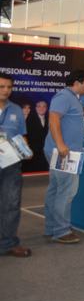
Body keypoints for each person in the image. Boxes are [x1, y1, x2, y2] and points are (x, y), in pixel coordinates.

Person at [43, 70, 84, 244]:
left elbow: (74, 117)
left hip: (63, 151)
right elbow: (53, 119)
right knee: (66, 191)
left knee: (56, 189)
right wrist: (61, 144)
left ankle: (52, 227)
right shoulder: (64, 97)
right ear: (76, 83)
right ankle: (61, 231)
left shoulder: (73, 97)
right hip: (64, 152)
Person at [0, 73, 32, 257]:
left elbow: (22, 135)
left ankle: (8, 243)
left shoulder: (16, 109)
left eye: (9, 87)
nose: (6, 90)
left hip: (11, 164)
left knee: (11, 203)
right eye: (1, 87)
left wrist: (26, 150)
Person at [24, 100, 50, 172]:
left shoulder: (50, 119)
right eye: (39, 106)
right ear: (35, 108)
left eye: (44, 106)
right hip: (33, 155)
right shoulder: (28, 119)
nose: (41, 108)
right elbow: (25, 136)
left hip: (46, 154)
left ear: (47, 108)